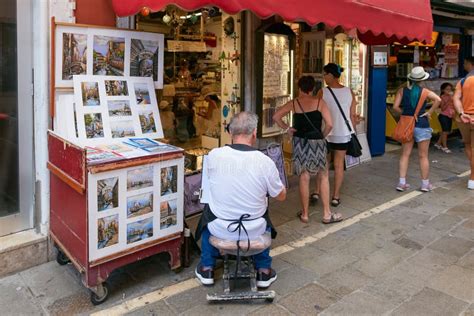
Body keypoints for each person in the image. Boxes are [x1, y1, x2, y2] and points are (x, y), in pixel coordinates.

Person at [194, 112, 286, 288]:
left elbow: (208, 189)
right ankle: (264, 271)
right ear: (254, 133)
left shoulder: (214, 155)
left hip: (220, 227)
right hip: (254, 228)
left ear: (230, 133)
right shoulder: (264, 161)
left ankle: (207, 268)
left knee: (208, 212)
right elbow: (281, 196)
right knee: (263, 209)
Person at [273, 76, 342, 224]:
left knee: (304, 177)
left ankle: (305, 214)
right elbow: (329, 124)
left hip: (300, 143)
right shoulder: (319, 102)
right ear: (313, 89)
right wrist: (320, 136)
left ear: (299, 88)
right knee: (323, 176)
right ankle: (326, 214)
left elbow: (276, 116)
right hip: (317, 142)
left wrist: (288, 128)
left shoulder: (294, 103)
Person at [313, 63, 358, 207]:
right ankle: (335, 196)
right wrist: (354, 131)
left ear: (331, 75)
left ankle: (317, 191)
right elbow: (352, 116)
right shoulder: (349, 92)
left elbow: (316, 113)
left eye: (325, 74)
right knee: (339, 165)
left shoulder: (322, 92)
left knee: (323, 164)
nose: (324, 77)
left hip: (325, 133)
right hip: (343, 134)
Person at [393, 66, 441, 192]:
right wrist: (429, 112)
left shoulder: (402, 91)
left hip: (406, 125)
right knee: (423, 156)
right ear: (421, 79)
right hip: (422, 124)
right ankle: (425, 184)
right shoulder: (425, 92)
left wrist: (405, 113)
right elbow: (438, 99)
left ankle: (401, 183)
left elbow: (395, 107)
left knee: (405, 154)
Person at [453, 56, 474, 190]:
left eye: (465, 63)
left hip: (464, 118)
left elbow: (456, 98)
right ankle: (472, 177)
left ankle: (472, 177)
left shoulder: (462, 81)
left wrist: (461, 113)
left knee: (468, 145)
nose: (464, 65)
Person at [434, 83, 455, 153]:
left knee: (446, 132)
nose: (449, 91)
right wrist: (448, 100)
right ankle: (444, 147)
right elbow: (442, 108)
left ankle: (438, 144)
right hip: (443, 116)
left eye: (450, 89)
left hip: (450, 116)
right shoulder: (442, 97)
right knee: (445, 132)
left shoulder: (452, 97)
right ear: (443, 90)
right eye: (447, 89)